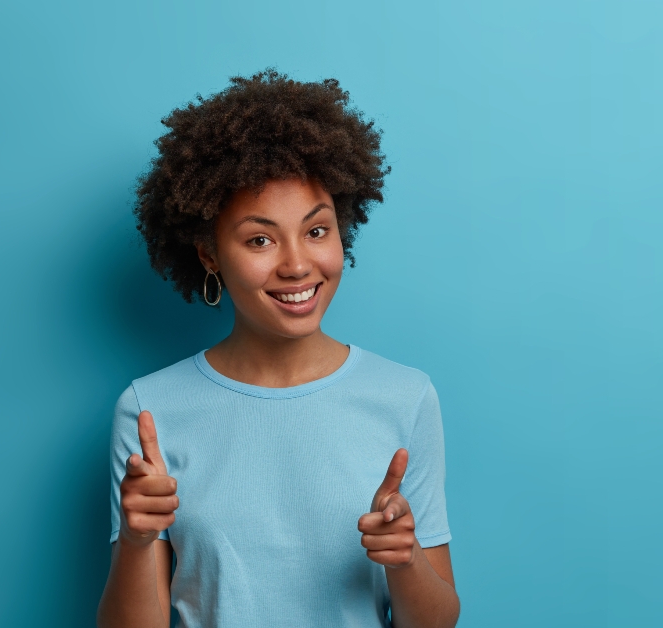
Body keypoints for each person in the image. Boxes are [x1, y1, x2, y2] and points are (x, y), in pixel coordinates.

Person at [96, 70, 459, 628]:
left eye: (316, 231)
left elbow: (437, 622)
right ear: (210, 255)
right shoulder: (150, 411)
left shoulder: (405, 398)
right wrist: (138, 540)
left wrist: (406, 560)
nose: (296, 265)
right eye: (260, 239)